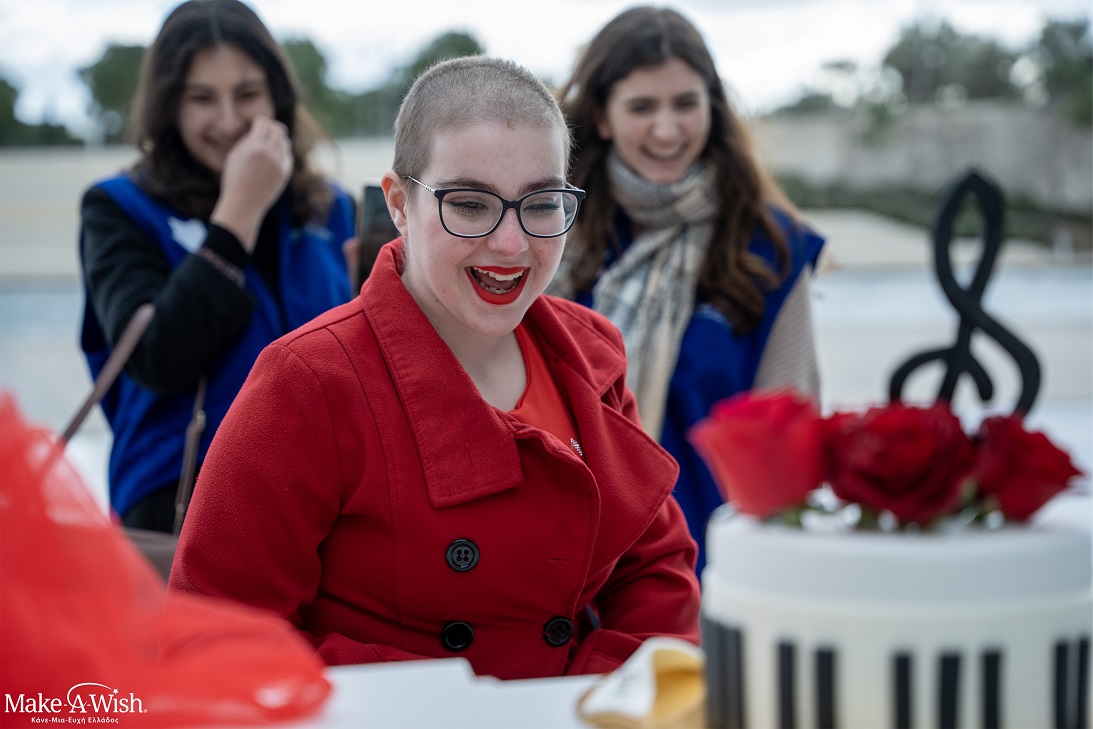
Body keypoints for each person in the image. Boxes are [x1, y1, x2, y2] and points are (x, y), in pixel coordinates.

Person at [169, 56, 701, 680]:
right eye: (469, 204)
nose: (511, 244)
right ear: (399, 203)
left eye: (541, 203)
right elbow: (213, 641)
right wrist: (448, 701)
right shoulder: (306, 382)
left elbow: (655, 568)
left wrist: (601, 692)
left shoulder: (589, 354)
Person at [550, 6, 826, 574]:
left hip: (715, 571)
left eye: (685, 104)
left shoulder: (771, 251)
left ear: (712, 108)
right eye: (642, 107)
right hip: (568, 569)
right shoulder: (553, 238)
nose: (667, 129)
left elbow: (789, 442)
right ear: (601, 117)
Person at [78, 0, 355, 533]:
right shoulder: (119, 207)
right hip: (184, 499)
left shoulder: (327, 206)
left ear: (277, 96)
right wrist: (237, 216)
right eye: (201, 98)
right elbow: (158, 357)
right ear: (169, 105)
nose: (229, 122)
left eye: (247, 95)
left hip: (322, 494)